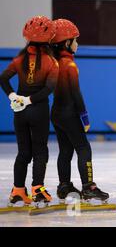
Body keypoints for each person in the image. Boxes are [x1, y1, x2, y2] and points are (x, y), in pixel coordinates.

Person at [0, 16, 59, 206]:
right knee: (40, 151)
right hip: (38, 109)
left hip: (20, 111)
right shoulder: (52, 62)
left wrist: (13, 96)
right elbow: (49, 89)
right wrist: (30, 99)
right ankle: (37, 190)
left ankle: (18, 191)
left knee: (23, 152)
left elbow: (3, 79)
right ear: (49, 39)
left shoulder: (19, 60)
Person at [50, 18, 109, 203]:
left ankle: (64, 186)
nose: (78, 43)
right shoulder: (70, 65)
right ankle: (88, 188)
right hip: (70, 113)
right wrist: (84, 116)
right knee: (84, 148)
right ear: (67, 43)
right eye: (75, 40)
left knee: (65, 151)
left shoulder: (53, 63)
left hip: (56, 113)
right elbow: (76, 94)